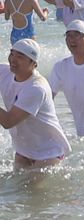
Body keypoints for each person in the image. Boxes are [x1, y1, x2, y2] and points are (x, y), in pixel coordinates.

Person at [1, 40, 67, 169]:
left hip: (48, 152)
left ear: (34, 64)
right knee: (18, 189)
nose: (13, 60)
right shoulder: (4, 72)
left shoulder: (36, 88)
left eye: (20, 57)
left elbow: (8, 121)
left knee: (36, 189)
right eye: (12, 54)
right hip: (23, 150)